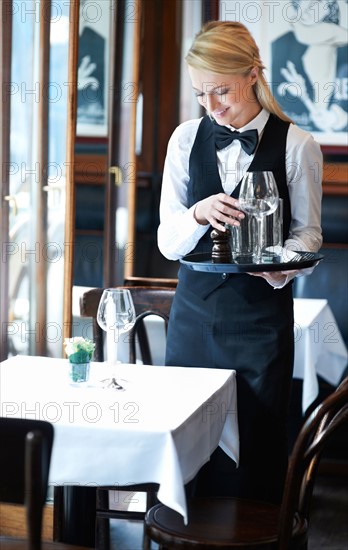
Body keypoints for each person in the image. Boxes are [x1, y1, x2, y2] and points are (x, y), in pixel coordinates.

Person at [157, 21, 323, 504]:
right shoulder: (185, 140)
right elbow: (169, 240)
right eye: (200, 94)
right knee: (186, 449)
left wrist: (280, 265)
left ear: (253, 74)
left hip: (259, 323)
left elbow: (308, 235)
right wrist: (196, 212)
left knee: (256, 452)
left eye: (221, 90)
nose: (212, 106)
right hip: (192, 317)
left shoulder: (298, 145)